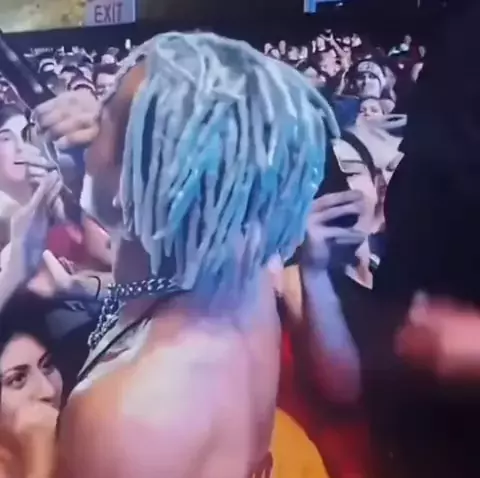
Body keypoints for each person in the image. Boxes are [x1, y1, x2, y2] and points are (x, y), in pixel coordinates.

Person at [33, 32, 339, 478]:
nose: (88, 125)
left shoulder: (124, 417)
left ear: (131, 186)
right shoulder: (244, 264)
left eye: (105, 116)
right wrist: (96, 170)